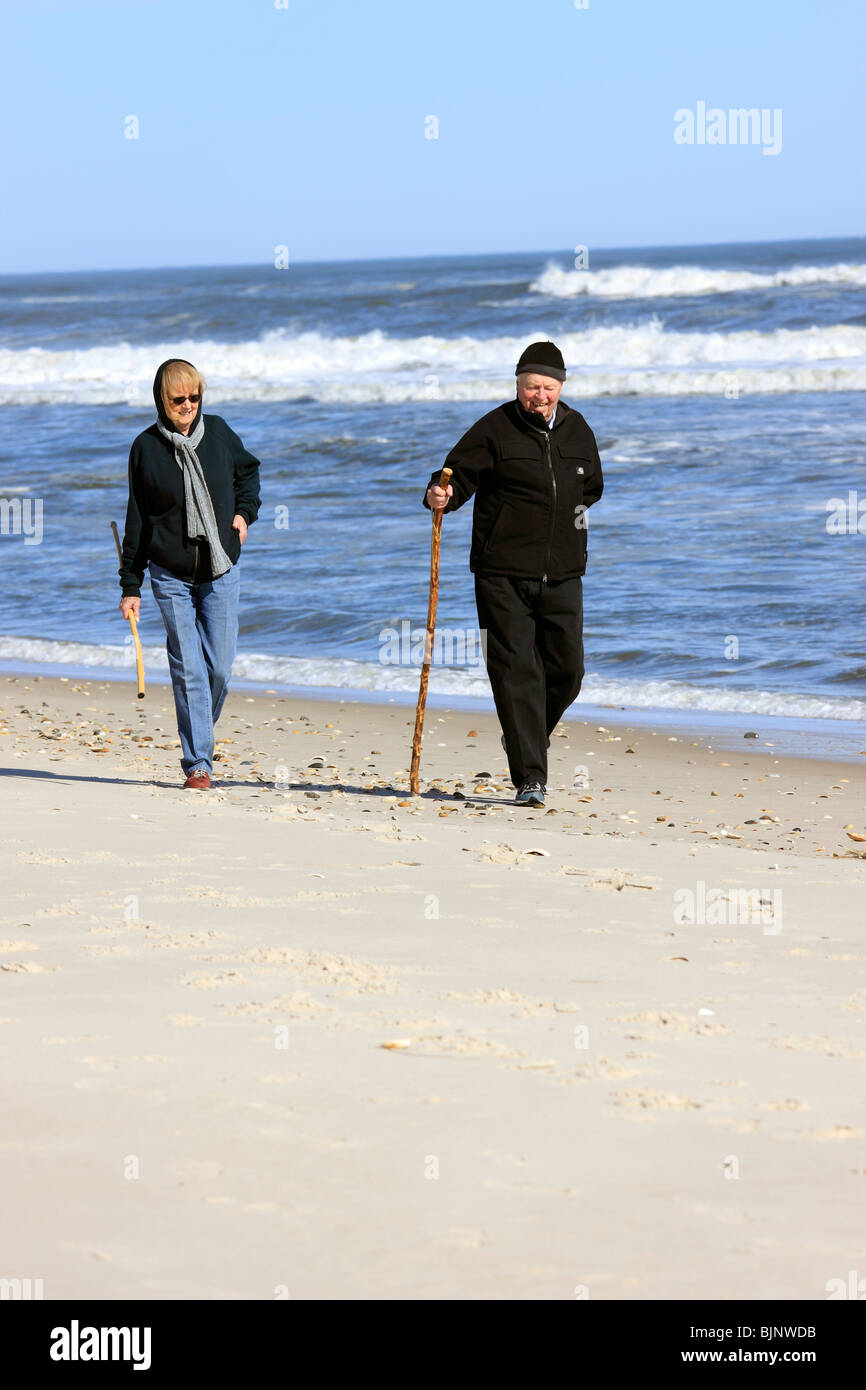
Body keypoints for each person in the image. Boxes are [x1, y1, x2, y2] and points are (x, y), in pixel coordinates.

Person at [424, 341, 603, 808]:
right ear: (517, 385)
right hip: (501, 572)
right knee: (515, 671)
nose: (538, 395)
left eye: (547, 387)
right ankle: (530, 778)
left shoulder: (578, 429)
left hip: (564, 573)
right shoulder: (494, 429)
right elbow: (452, 478)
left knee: (569, 670)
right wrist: (439, 496)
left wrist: (568, 526)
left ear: (561, 387)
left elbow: (593, 488)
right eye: (530, 387)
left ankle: (524, 738)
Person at [118, 359, 261, 789]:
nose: (187, 406)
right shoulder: (145, 448)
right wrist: (131, 584)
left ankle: (200, 727)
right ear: (162, 399)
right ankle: (199, 763)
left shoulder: (218, 433)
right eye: (178, 398)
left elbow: (248, 473)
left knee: (217, 669)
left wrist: (243, 513)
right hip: (169, 574)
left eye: (194, 397)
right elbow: (138, 519)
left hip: (221, 567)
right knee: (189, 670)